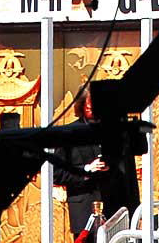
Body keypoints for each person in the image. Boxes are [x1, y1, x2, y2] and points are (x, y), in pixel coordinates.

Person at [53, 87, 109, 240]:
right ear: (82, 105)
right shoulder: (69, 133)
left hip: (111, 206)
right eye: (91, 107)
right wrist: (86, 170)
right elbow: (55, 173)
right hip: (83, 209)